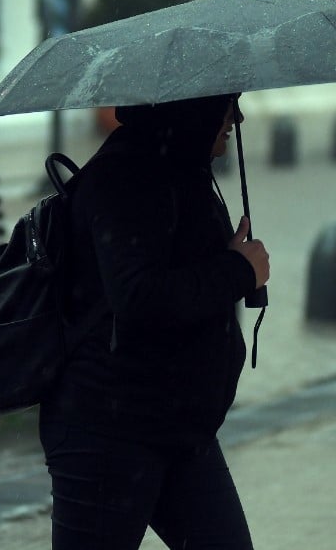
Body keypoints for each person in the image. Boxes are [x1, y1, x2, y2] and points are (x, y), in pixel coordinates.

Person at [40, 92, 270, 549]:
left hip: (176, 424)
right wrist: (238, 270)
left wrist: (229, 261)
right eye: (228, 104)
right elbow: (140, 297)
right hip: (109, 431)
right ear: (194, 106)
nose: (236, 117)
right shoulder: (126, 175)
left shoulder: (179, 170)